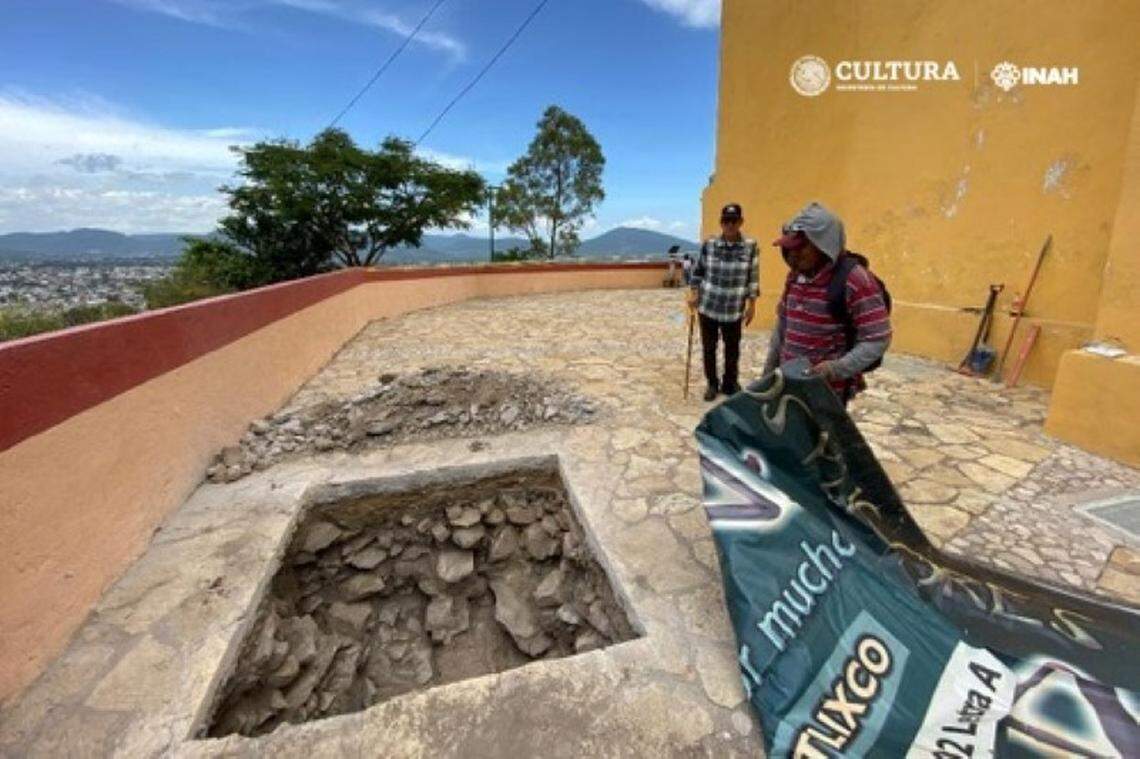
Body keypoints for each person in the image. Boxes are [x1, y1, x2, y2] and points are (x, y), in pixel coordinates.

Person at [764, 201, 891, 405]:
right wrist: (767, 376)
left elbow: (877, 339)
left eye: (801, 247)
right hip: (790, 384)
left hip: (827, 393)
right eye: (789, 249)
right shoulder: (794, 277)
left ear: (825, 244)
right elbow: (783, 327)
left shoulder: (855, 280)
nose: (793, 255)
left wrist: (835, 369)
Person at [687, 203, 759, 401]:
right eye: (726, 221)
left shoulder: (750, 246)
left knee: (732, 348)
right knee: (709, 348)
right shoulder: (709, 245)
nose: (729, 225)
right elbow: (698, 271)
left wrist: (752, 306)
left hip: (734, 308)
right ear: (721, 223)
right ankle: (712, 383)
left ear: (740, 222)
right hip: (709, 305)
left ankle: (730, 383)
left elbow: (753, 277)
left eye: (733, 221)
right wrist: (694, 293)